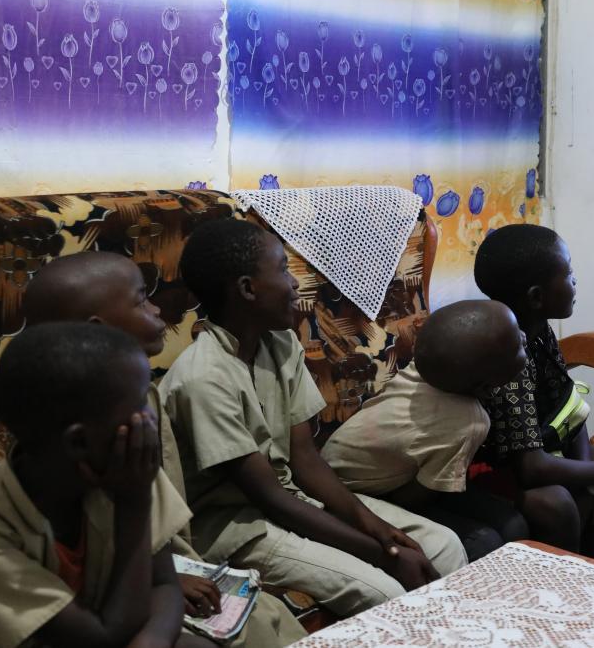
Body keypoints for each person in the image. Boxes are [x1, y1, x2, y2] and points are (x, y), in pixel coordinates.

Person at [160, 219, 467, 617]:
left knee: (444, 545)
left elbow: (305, 459)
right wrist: (384, 554)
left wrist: (378, 529)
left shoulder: (280, 342)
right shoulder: (202, 379)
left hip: (291, 499)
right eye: (283, 270)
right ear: (248, 289)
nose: (294, 285)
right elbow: (267, 496)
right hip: (237, 526)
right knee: (383, 591)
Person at [22, 251, 305, 647]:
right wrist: (164, 575)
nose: (157, 309)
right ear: (97, 331)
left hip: (156, 564)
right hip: (108, 597)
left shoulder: (142, 397)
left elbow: (158, 526)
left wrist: (168, 571)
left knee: (267, 617)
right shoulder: (59, 441)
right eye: (141, 300)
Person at [0, 322, 212, 648]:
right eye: (138, 407)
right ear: (79, 442)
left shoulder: (125, 464)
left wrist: (152, 641)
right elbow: (101, 637)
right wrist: (134, 505)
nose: (149, 420)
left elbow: (163, 583)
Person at [472, 224, 594, 564]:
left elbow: (568, 405)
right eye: (567, 274)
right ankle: (568, 583)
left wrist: (586, 467)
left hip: (536, 451)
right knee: (557, 502)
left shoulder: (540, 330)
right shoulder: (508, 355)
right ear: (537, 297)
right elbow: (530, 469)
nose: (575, 281)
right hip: (493, 468)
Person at [322, 300, 530, 561]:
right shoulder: (468, 423)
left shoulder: (430, 371)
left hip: (368, 467)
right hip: (350, 491)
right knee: (483, 542)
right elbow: (413, 498)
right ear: (485, 386)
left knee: (512, 524)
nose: (524, 337)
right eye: (516, 344)